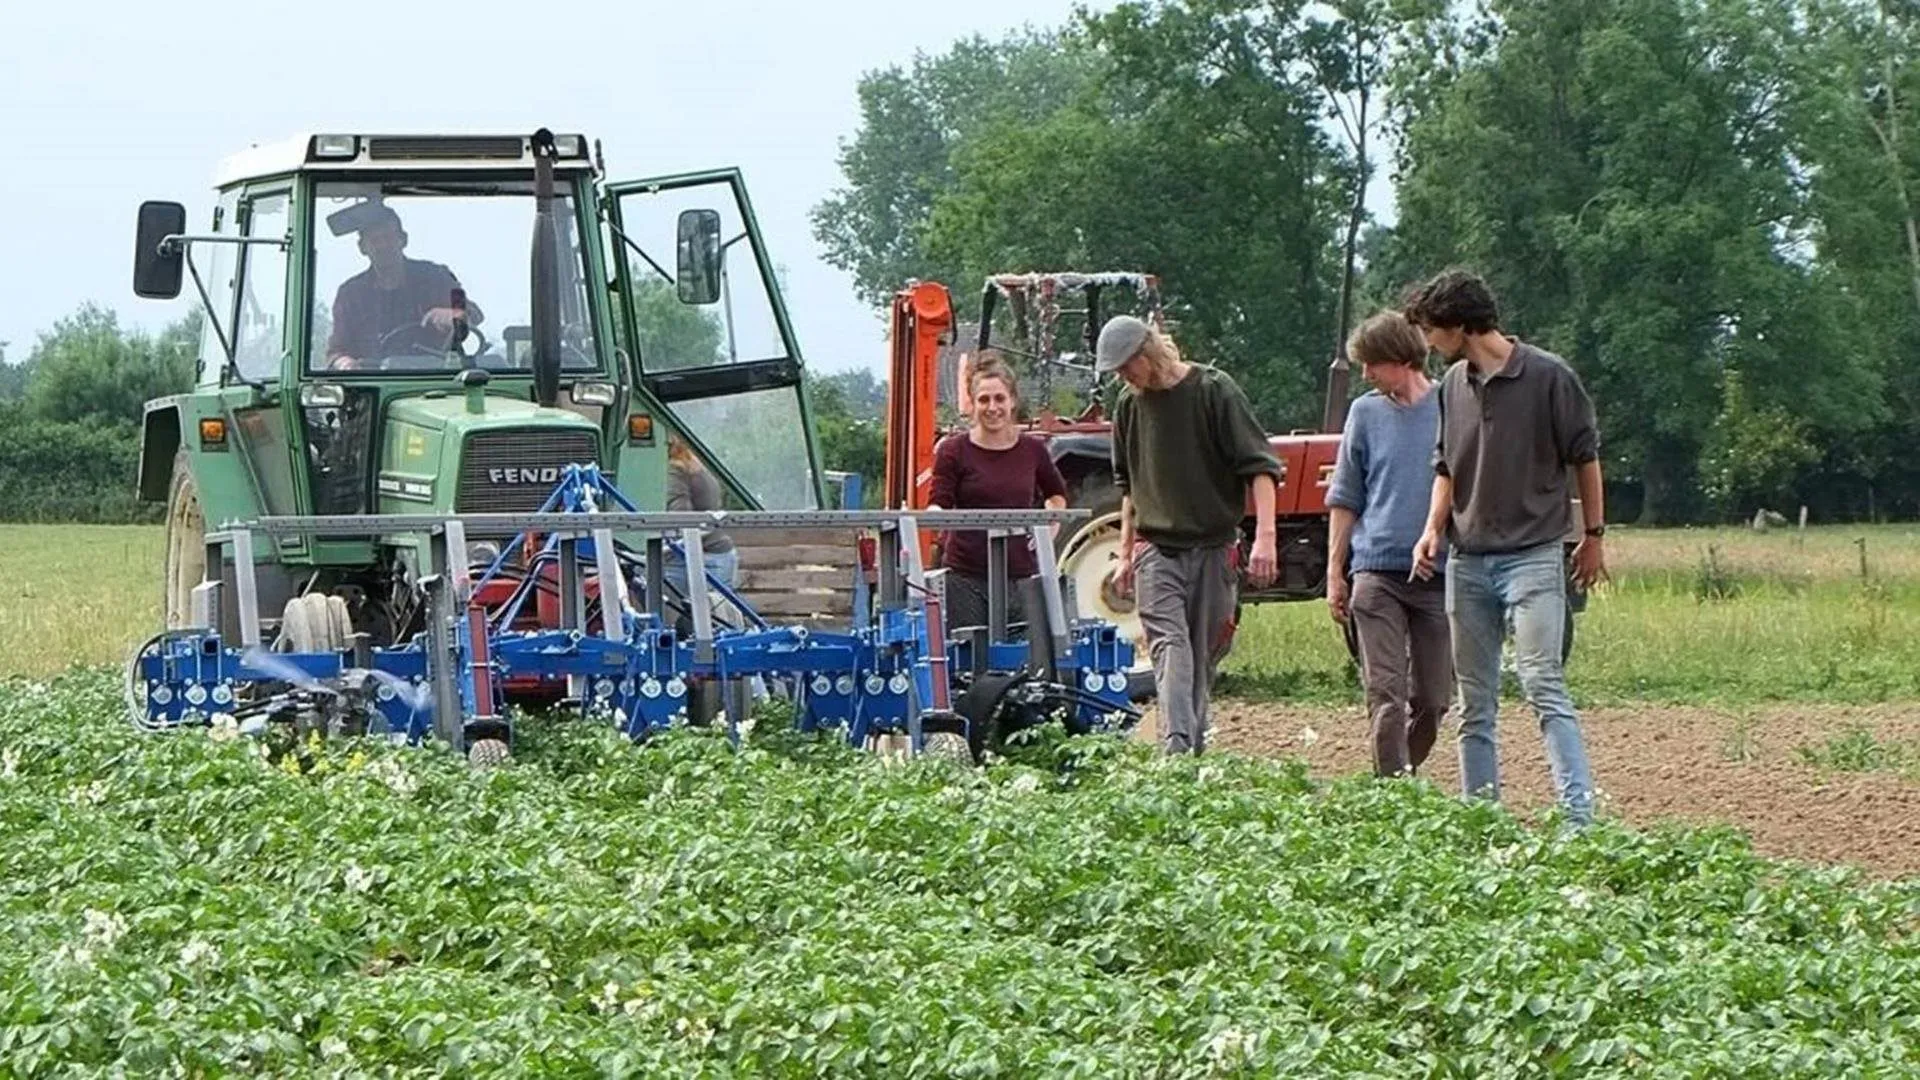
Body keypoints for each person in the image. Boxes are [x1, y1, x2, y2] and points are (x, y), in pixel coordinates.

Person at [1406, 268, 1608, 825]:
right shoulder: (1451, 386)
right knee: (1475, 702)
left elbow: (1585, 460)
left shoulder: (1549, 377)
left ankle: (1579, 819)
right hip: (1466, 561)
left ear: (1457, 324)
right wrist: (1430, 529)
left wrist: (1592, 537)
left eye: (1430, 329)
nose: (1427, 342)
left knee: (1542, 682)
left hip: (1535, 557)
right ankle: (1481, 819)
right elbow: (1445, 466)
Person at [1098, 315, 1281, 755]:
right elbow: (1131, 488)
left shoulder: (1214, 392)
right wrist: (1124, 553)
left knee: (1201, 658)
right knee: (1171, 648)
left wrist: (1266, 538)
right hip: (1156, 550)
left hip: (1215, 547)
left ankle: (1189, 756)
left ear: (1149, 355)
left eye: (1127, 367)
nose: (1125, 378)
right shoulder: (1129, 405)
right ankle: (1176, 750)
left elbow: (1261, 469)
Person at [1325, 311, 1452, 779]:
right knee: (1386, 693)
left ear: (1401, 359)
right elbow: (1345, 497)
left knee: (1434, 699)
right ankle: (1390, 790)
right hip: (1375, 573)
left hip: (1436, 576)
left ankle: (1402, 774)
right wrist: (1336, 573)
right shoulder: (1365, 413)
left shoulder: (1449, 405)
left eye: (1372, 364)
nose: (1365, 375)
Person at [927, 352, 1069, 637]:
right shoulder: (953, 451)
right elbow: (938, 502)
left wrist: (1048, 529)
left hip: (1020, 577)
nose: (992, 408)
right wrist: (935, 517)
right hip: (966, 578)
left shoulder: (1033, 450)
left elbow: (1057, 495)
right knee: (971, 668)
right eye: (984, 400)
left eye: (999, 399)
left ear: (1012, 400)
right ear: (972, 403)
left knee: (1023, 667)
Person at [324, 203, 482, 369]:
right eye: (375, 240)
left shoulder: (437, 276)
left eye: (388, 237)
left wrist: (453, 315)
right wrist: (346, 364)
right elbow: (336, 352)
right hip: (374, 384)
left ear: (403, 239)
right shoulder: (350, 294)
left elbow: (471, 312)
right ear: (362, 247)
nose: (383, 246)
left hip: (437, 377)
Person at [663, 434, 737, 601]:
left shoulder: (676, 469)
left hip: (700, 555)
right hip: (721, 552)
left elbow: (680, 515)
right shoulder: (698, 466)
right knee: (719, 615)